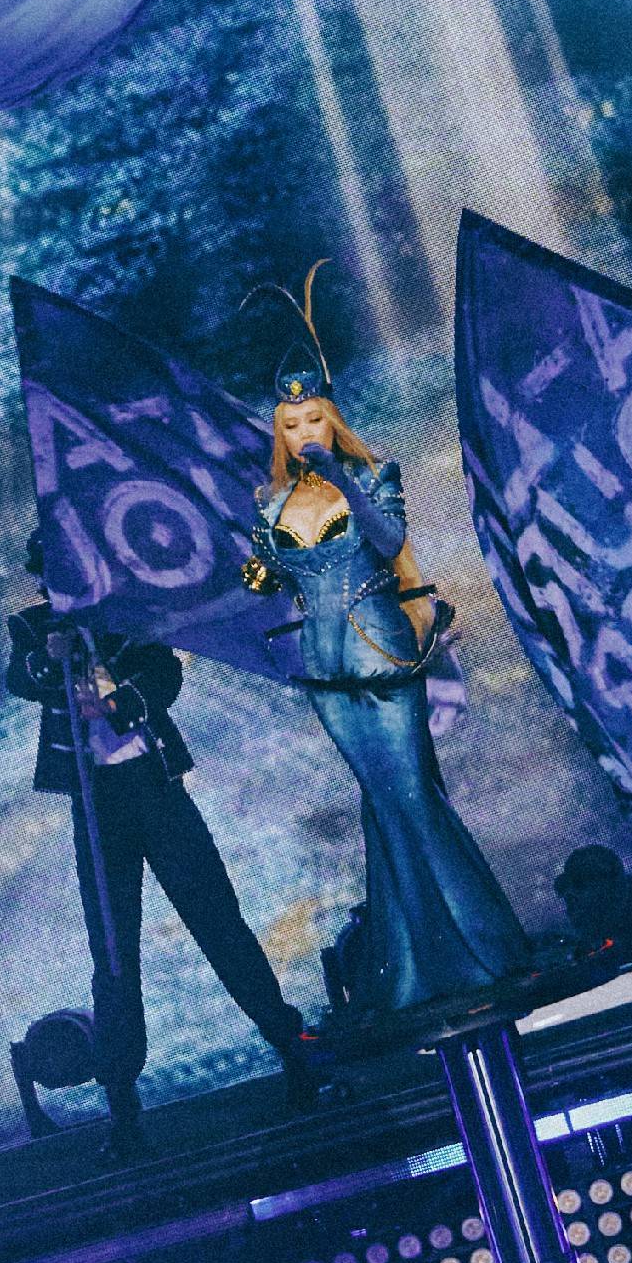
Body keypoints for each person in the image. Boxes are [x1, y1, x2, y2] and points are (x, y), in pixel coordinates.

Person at [243, 300, 530, 1021]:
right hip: (323, 664)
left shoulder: (373, 475)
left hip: (379, 648)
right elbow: (268, 580)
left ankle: (478, 951)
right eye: (290, 425)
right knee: (380, 799)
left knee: (410, 793)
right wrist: (254, 568)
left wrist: (340, 480)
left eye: (313, 419)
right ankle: (409, 969)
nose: (303, 432)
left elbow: (388, 539)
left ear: (331, 419)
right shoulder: (270, 502)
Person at [7, 543, 323, 1154]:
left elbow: (164, 676)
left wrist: (118, 699)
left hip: (155, 790)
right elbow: (21, 677)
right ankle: (123, 1109)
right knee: (113, 955)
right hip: (96, 805)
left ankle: (294, 1051)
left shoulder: (127, 611)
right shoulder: (33, 628)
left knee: (218, 921)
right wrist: (52, 660)